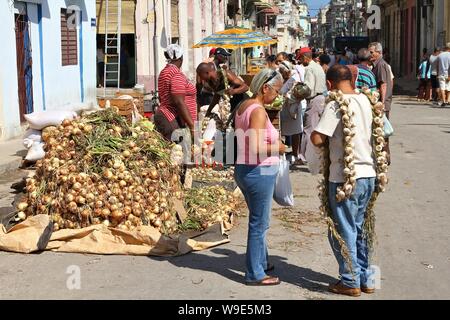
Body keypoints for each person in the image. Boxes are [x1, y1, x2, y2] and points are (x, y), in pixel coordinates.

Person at [311, 64, 378, 297]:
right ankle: (367, 279)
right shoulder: (367, 100)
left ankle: (350, 281)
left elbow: (318, 138)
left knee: (342, 229)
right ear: (352, 79)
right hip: (369, 175)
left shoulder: (335, 104)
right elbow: (384, 133)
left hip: (345, 178)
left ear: (329, 84)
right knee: (361, 228)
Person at [234, 68, 286, 286]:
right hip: (258, 170)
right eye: (276, 91)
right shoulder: (257, 111)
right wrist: (279, 147)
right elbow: (255, 146)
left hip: (246, 169)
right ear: (265, 87)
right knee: (259, 223)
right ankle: (255, 273)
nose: (278, 95)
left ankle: (261, 261)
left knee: (258, 220)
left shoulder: (243, 106)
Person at [155, 44, 196, 140]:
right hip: (170, 118)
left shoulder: (165, 72)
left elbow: (162, 98)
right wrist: (192, 126)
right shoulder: (176, 74)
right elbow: (179, 102)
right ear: (181, 58)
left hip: (168, 117)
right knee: (178, 152)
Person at [278, 61, 305, 163]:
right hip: (284, 107)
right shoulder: (280, 78)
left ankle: (295, 154)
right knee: (282, 131)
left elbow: (297, 93)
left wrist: (287, 96)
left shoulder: (295, 79)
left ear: (288, 71)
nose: (282, 74)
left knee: (295, 132)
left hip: (293, 108)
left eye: (283, 72)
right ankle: (282, 153)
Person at [369, 42, 393, 118]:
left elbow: (383, 85)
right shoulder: (376, 65)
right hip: (380, 103)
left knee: (382, 128)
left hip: (381, 104)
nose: (369, 54)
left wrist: (382, 103)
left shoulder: (381, 65)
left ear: (378, 52)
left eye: (371, 52)